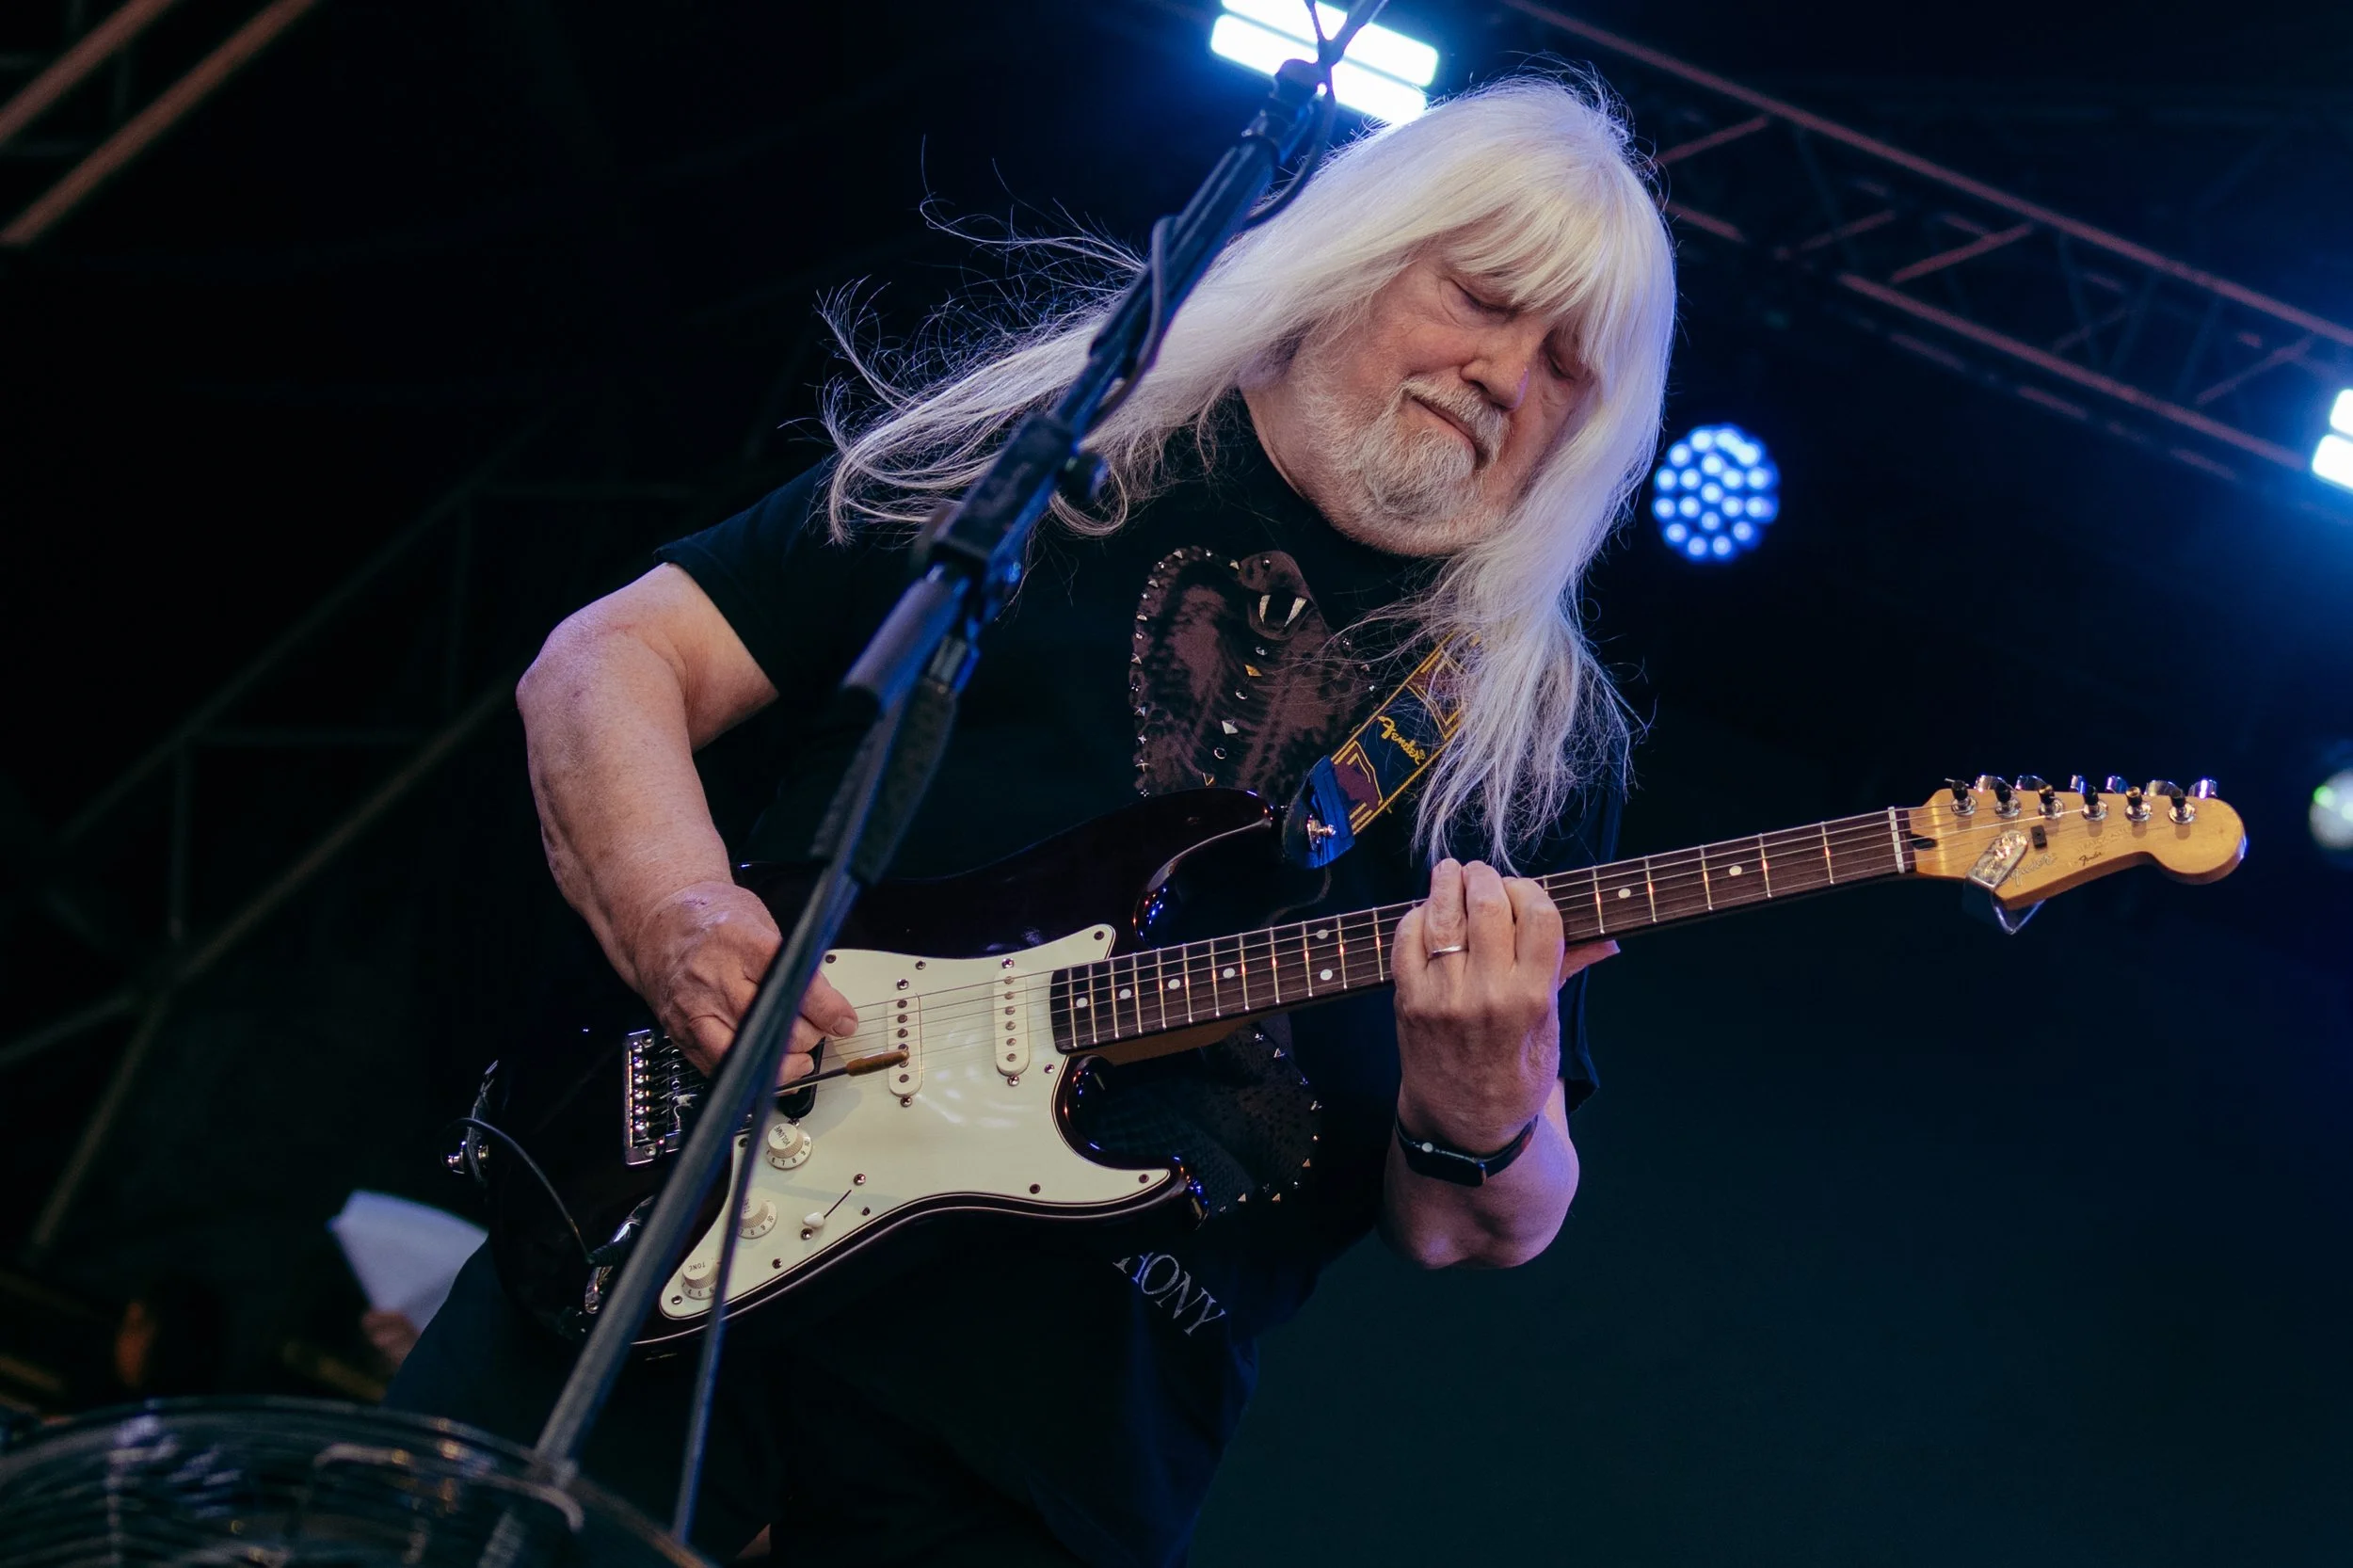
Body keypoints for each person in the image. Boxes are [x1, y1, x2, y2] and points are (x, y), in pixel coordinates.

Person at [390, 75, 1675, 1566]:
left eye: (1569, 364)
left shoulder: (1524, 733)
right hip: (678, 1251)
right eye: (1485, 296)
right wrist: (682, 912)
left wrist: (1483, 1098)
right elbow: (613, 661)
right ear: (1362, 252)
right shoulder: (1062, 456)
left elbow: (1486, 1219)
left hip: (1039, 1468)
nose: (1507, 370)